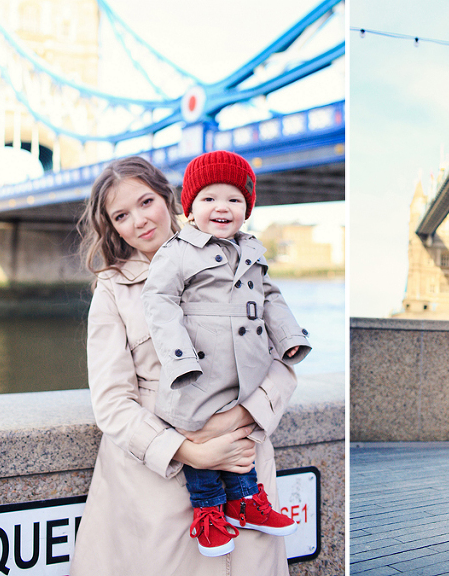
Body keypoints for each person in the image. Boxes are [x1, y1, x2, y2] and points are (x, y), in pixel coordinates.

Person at [71, 155, 297, 575]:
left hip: (242, 459)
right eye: (121, 215)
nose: (139, 220)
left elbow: (281, 360)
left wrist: (238, 418)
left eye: (146, 202)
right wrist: (192, 451)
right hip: (155, 484)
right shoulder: (113, 290)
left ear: (169, 198)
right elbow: (111, 401)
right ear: (113, 227)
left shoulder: (239, 258)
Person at [141, 150, 311, 556]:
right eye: (209, 198)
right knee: (199, 435)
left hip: (244, 369)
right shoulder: (178, 250)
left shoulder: (252, 250)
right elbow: (159, 302)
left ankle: (246, 501)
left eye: (234, 199)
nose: (222, 207)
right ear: (190, 208)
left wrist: (288, 336)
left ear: (246, 209)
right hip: (198, 371)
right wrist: (180, 359)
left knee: (239, 437)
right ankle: (208, 512)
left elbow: (270, 297)